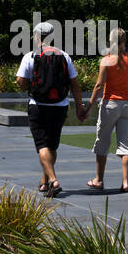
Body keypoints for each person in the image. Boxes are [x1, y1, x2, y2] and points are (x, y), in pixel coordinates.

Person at [15, 22, 85, 197]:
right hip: (60, 106)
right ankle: (44, 182)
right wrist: (79, 107)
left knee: (42, 145)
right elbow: (75, 85)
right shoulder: (64, 56)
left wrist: (29, 83)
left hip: (38, 106)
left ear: (37, 36)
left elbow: (21, 83)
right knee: (52, 145)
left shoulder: (30, 56)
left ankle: (53, 179)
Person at [85, 27, 128, 193]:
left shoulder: (107, 60)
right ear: (124, 41)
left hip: (111, 104)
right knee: (126, 146)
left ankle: (99, 180)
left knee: (102, 141)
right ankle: (125, 183)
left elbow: (99, 85)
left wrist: (89, 106)